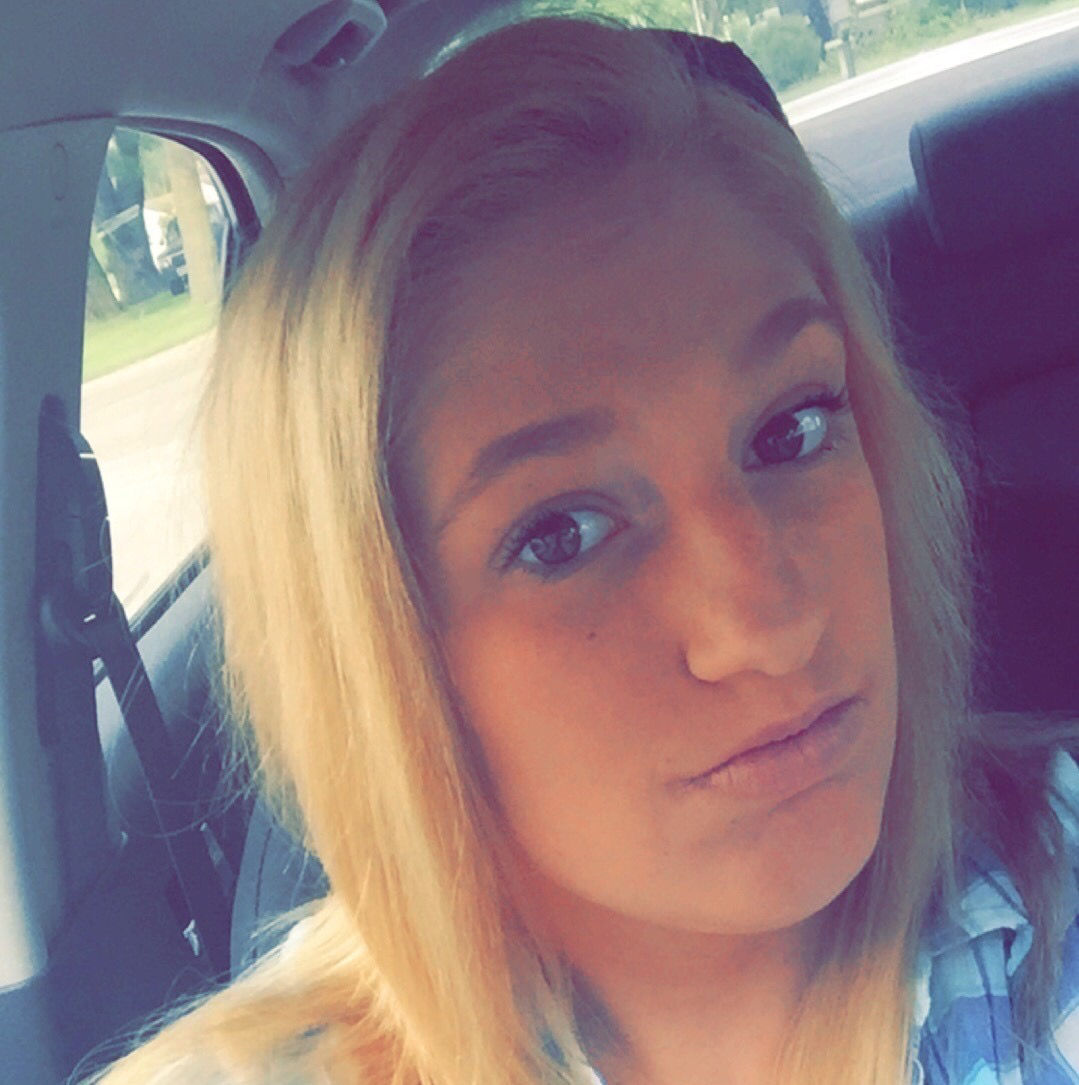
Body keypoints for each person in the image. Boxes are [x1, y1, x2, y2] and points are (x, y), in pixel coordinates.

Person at [81, 16, 1079, 1085]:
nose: (767, 624)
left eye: (790, 430)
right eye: (559, 535)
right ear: (381, 653)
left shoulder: (1047, 876)